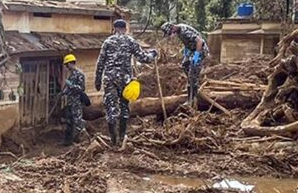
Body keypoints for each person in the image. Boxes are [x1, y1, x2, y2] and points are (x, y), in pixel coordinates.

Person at [95, 19, 157, 147]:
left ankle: (113, 140)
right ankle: (122, 136)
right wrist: (152, 54)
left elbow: (100, 63)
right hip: (125, 79)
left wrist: (97, 80)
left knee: (111, 108)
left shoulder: (107, 42)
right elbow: (143, 58)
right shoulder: (130, 41)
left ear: (114, 28)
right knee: (124, 107)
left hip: (110, 79)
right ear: (125, 28)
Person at [161, 22, 209, 106]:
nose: (171, 35)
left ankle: (192, 97)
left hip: (200, 50)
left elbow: (200, 41)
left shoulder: (184, 32)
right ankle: (193, 81)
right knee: (185, 65)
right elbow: (188, 42)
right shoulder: (179, 31)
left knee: (192, 71)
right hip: (192, 50)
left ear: (173, 28)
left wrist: (197, 54)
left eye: (171, 33)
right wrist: (187, 51)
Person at [61, 54, 86, 146]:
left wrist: (71, 85)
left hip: (77, 102)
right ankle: (68, 142)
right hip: (70, 101)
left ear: (71, 63)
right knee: (69, 122)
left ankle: (83, 141)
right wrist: (64, 92)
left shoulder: (80, 74)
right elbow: (69, 88)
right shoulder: (71, 74)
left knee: (78, 121)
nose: (66, 67)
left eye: (67, 65)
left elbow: (81, 89)